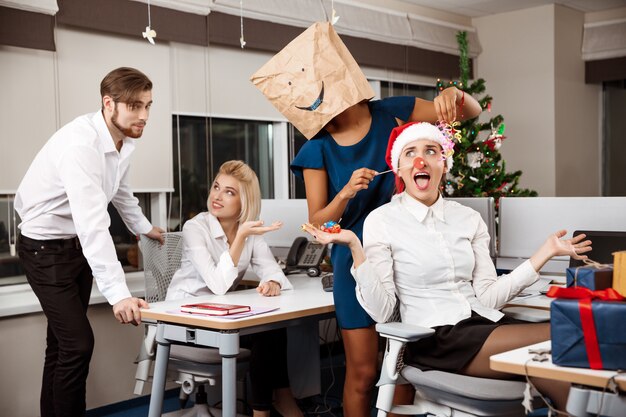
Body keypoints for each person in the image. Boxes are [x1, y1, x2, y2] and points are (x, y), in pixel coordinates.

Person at [302, 121, 592, 412]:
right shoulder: (382, 220)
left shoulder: (468, 219)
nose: (421, 159)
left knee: (564, 361)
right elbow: (383, 311)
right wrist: (355, 245)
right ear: (399, 168)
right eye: (410, 153)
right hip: (435, 338)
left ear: (444, 164)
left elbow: (488, 298)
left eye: (431, 151)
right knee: (564, 337)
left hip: (483, 325)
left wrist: (545, 252)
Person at [290, 88, 482, 416]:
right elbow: (318, 223)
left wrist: (456, 94)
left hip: (411, 256)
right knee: (363, 373)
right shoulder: (317, 147)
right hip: (357, 263)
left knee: (407, 370)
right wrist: (346, 193)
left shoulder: (393, 111)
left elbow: (470, 112)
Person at [15, 67, 165, 417]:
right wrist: (118, 295)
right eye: (134, 106)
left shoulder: (122, 138)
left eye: (148, 105)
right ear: (108, 103)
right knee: (78, 345)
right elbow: (93, 224)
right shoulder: (80, 146)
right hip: (44, 249)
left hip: (74, 247)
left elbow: (120, 192)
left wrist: (145, 228)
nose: (144, 116)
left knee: (62, 346)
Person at [166, 160, 303, 417]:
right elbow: (218, 286)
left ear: (244, 202)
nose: (217, 196)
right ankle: (264, 410)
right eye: (216, 187)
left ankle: (280, 399)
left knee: (272, 327)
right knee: (264, 332)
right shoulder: (195, 228)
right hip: (185, 322)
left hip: (218, 317)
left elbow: (274, 272)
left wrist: (272, 282)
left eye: (229, 192)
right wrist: (240, 238)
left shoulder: (248, 230)